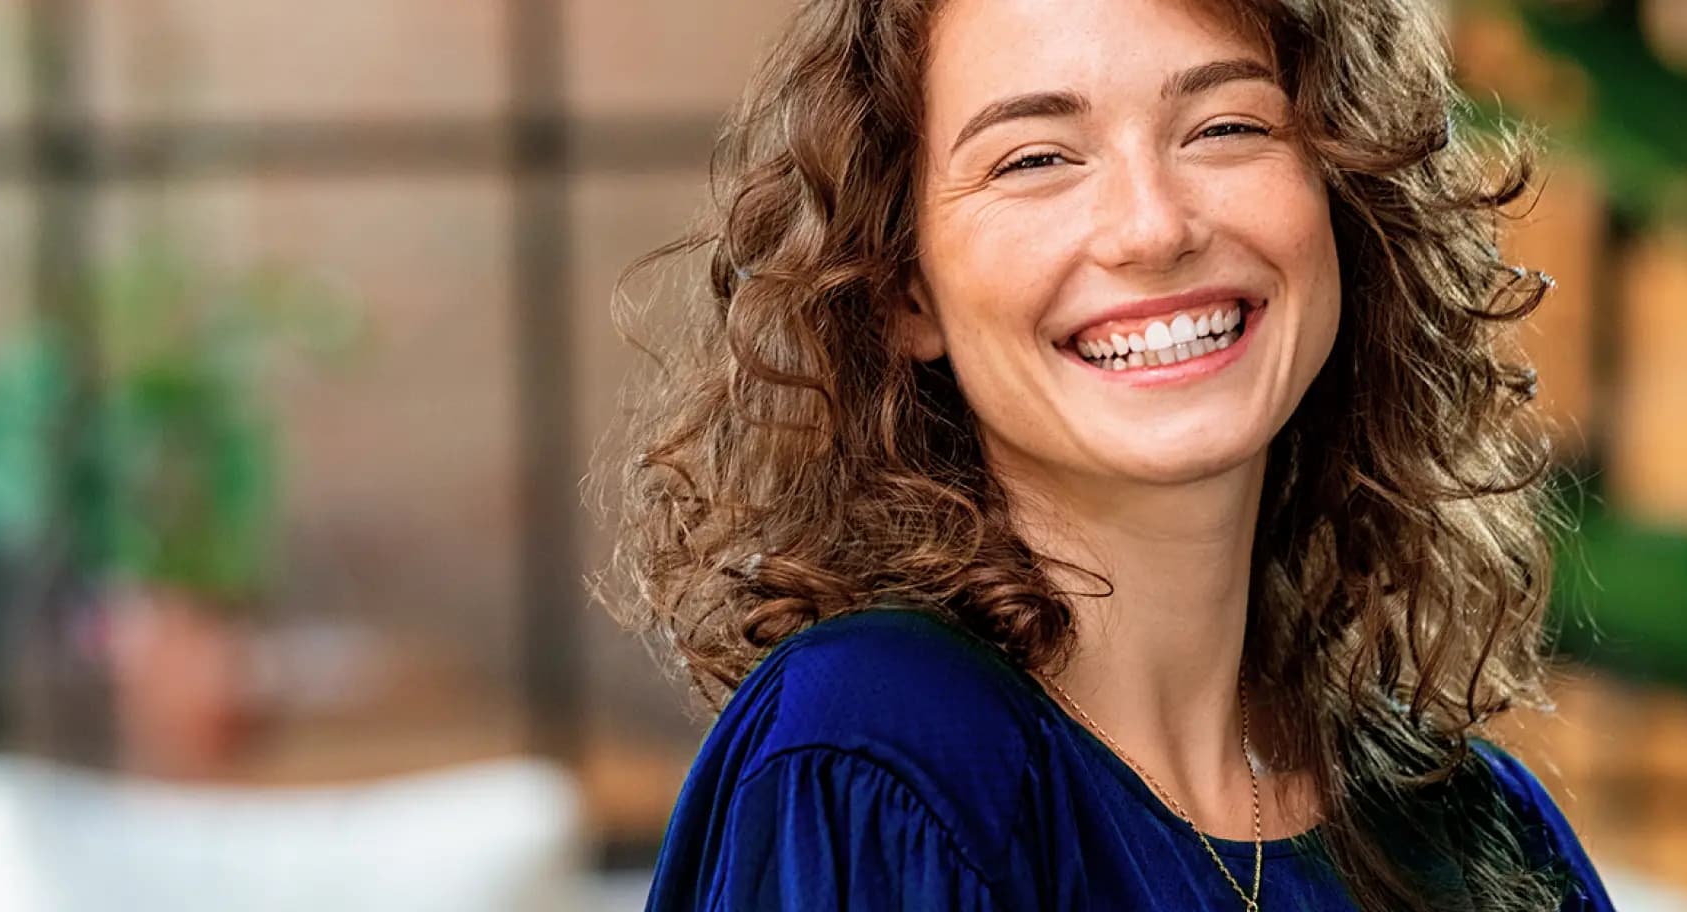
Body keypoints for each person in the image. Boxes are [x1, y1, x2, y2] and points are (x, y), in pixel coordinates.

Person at [601, 0, 1610, 908]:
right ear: (905, 290)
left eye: (1225, 128)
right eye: (1035, 158)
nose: (1151, 227)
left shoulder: (1474, 829)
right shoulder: (876, 751)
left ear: (1344, 201)